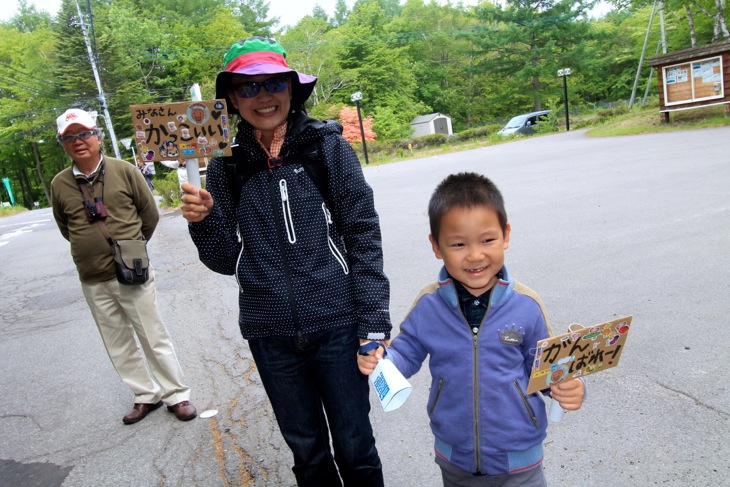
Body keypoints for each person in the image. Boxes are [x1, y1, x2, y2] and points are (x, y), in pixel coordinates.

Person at [180, 37, 392, 486]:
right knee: (308, 454)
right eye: (248, 88)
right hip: (268, 331)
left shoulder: (326, 147)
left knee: (356, 448)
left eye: (274, 83)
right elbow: (223, 258)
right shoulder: (226, 164)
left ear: (291, 90)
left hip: (337, 323)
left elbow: (363, 234)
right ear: (233, 100)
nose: (264, 97)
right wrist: (203, 220)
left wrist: (373, 321)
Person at [357, 172, 586, 486]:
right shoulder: (429, 306)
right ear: (436, 245)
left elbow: (545, 368)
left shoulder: (526, 305)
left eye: (488, 240)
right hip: (455, 460)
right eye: (459, 244)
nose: (475, 255)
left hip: (520, 462)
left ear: (506, 235)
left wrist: (567, 387)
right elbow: (404, 354)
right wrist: (382, 359)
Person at [50, 108, 197, 425]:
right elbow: (66, 227)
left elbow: (150, 215)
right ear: (62, 143)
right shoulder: (60, 184)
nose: (79, 141)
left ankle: (177, 395)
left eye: (84, 133)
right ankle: (146, 395)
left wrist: (132, 247)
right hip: (92, 277)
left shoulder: (124, 170)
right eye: (70, 137)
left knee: (152, 335)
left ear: (98, 136)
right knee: (117, 341)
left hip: (133, 271)